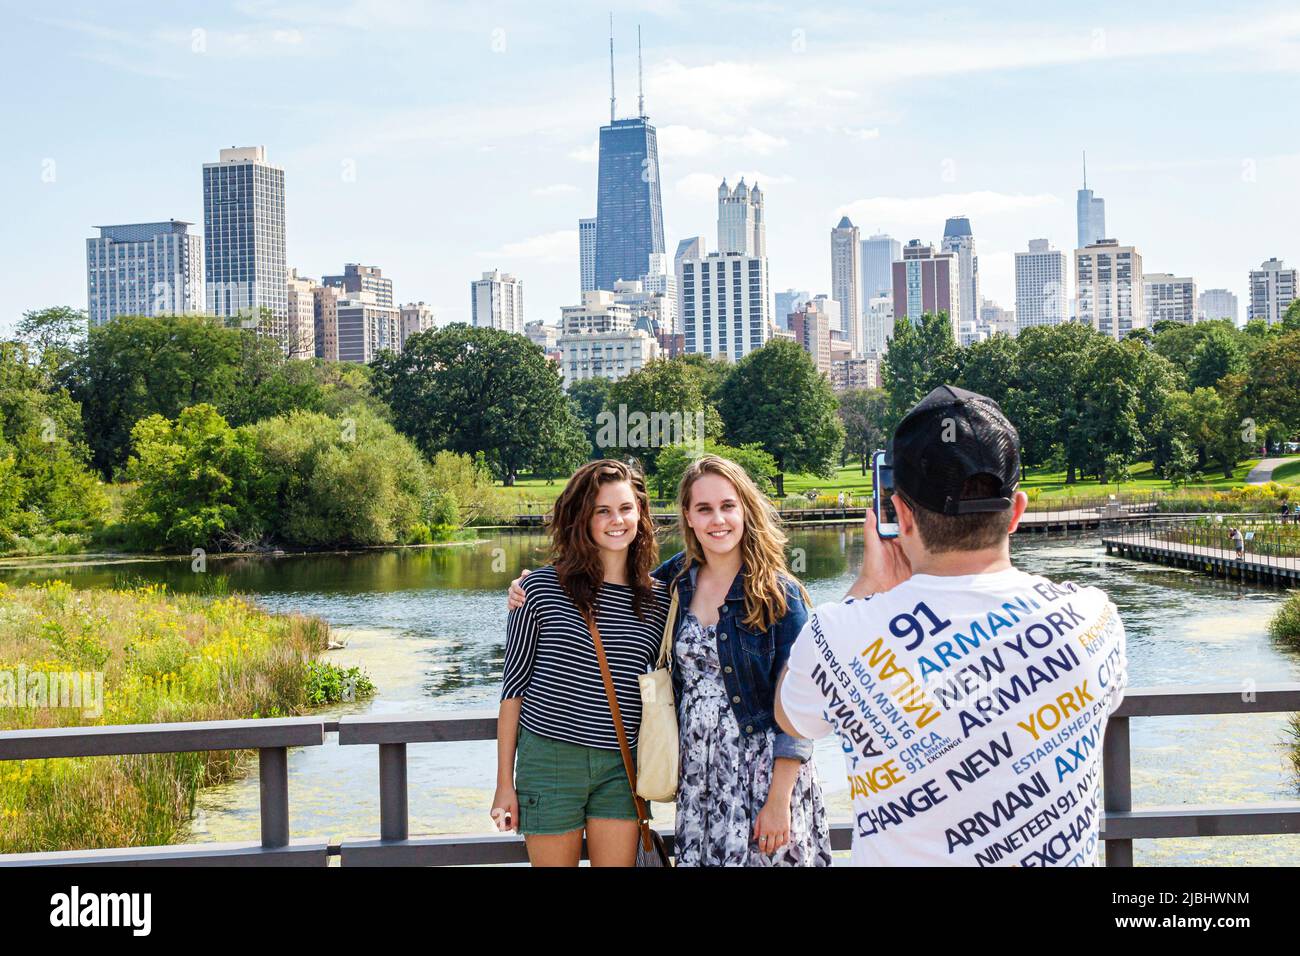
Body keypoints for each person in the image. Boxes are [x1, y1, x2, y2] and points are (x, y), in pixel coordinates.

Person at [775, 385, 1128, 866]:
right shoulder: (1094, 618)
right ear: (1017, 512)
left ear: (899, 516)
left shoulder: (834, 634)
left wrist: (868, 584)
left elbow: (791, 717)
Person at [510, 455, 832, 866]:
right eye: (704, 509)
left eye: (728, 506)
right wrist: (528, 584)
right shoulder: (674, 582)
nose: (718, 519)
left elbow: (802, 706)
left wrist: (779, 799)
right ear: (689, 517)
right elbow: (610, 580)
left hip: (763, 775)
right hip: (700, 778)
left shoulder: (778, 595)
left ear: (745, 511)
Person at [492, 459, 669, 867]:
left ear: (641, 514)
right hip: (550, 759)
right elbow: (512, 691)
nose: (616, 520)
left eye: (625, 508)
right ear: (582, 518)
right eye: (602, 511)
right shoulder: (537, 590)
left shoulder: (658, 599)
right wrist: (504, 784)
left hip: (621, 765)